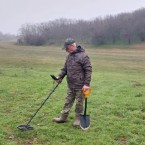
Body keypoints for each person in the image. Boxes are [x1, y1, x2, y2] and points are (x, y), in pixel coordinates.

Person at [52, 38, 92, 127]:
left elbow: (88, 71)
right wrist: (59, 77)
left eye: (67, 48)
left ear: (71, 46)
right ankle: (63, 117)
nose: (66, 50)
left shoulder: (83, 56)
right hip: (70, 84)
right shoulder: (69, 56)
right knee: (68, 101)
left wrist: (86, 84)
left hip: (80, 85)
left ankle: (78, 119)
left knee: (79, 103)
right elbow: (65, 69)